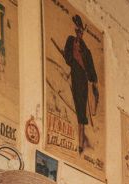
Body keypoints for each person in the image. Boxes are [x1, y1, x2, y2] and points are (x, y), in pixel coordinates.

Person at [54, 15, 99, 153]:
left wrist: (93, 81)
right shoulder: (70, 40)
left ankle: (81, 142)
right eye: (78, 30)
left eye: (81, 31)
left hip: (82, 78)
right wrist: (69, 58)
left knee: (81, 106)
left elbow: (91, 69)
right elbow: (68, 57)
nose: (79, 33)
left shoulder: (86, 50)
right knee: (76, 103)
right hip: (75, 74)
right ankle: (79, 140)